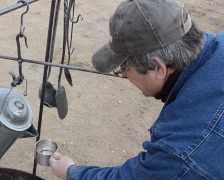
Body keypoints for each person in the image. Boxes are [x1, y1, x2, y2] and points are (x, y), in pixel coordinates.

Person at [49, 0, 224, 179]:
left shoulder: (184, 149)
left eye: (124, 68)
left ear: (159, 69)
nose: (124, 75)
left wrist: (71, 171)